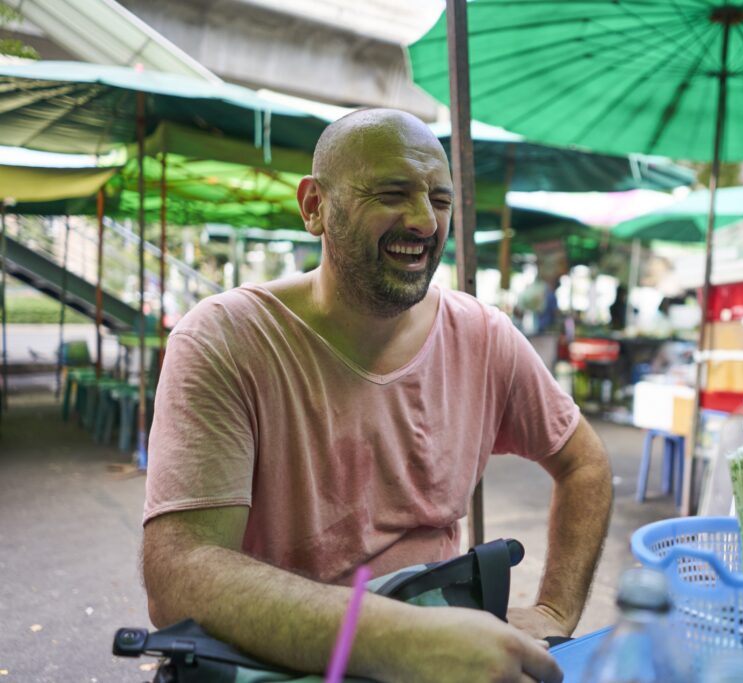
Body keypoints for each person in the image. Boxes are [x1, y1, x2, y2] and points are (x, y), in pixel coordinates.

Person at [141, 108, 613, 683]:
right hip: (281, 663)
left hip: (443, 649)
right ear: (315, 206)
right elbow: (181, 571)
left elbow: (583, 462)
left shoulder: (484, 336)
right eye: (393, 193)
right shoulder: (227, 338)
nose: (422, 220)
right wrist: (395, 639)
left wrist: (553, 613)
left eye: (439, 200)